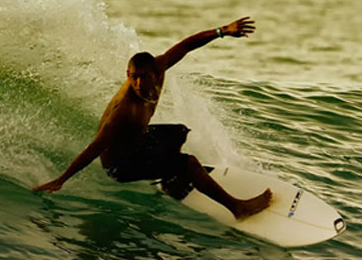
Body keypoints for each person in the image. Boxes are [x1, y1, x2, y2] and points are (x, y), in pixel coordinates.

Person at [31, 17, 273, 220]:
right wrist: (61, 179)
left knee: (179, 132)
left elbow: (187, 45)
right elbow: (96, 147)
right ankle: (237, 208)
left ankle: (171, 180)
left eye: (143, 76)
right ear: (128, 75)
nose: (138, 83)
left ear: (155, 72)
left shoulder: (160, 66)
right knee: (189, 163)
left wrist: (222, 31)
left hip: (138, 140)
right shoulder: (123, 111)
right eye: (134, 77)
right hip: (120, 164)